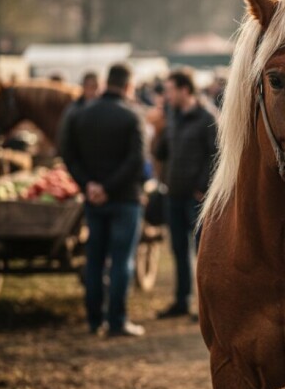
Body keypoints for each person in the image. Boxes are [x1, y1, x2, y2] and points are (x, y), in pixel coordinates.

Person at [61, 64, 146, 337]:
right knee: (121, 261)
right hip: (124, 199)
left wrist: (89, 185)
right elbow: (136, 161)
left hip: (93, 200)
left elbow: (68, 154)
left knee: (95, 260)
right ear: (127, 85)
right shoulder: (132, 117)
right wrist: (107, 187)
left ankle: (94, 320)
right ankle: (117, 321)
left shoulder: (81, 114)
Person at [153, 70, 218, 318]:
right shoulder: (172, 116)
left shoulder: (207, 118)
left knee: (203, 254)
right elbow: (164, 151)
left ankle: (205, 308)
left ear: (184, 90)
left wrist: (202, 188)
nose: (166, 95)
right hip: (173, 195)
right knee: (178, 251)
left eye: (170, 90)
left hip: (196, 198)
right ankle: (182, 301)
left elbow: (216, 157)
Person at [57, 72, 101, 156]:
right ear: (83, 87)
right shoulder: (73, 110)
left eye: (95, 87)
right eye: (89, 87)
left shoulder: (105, 108)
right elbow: (64, 136)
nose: (92, 91)